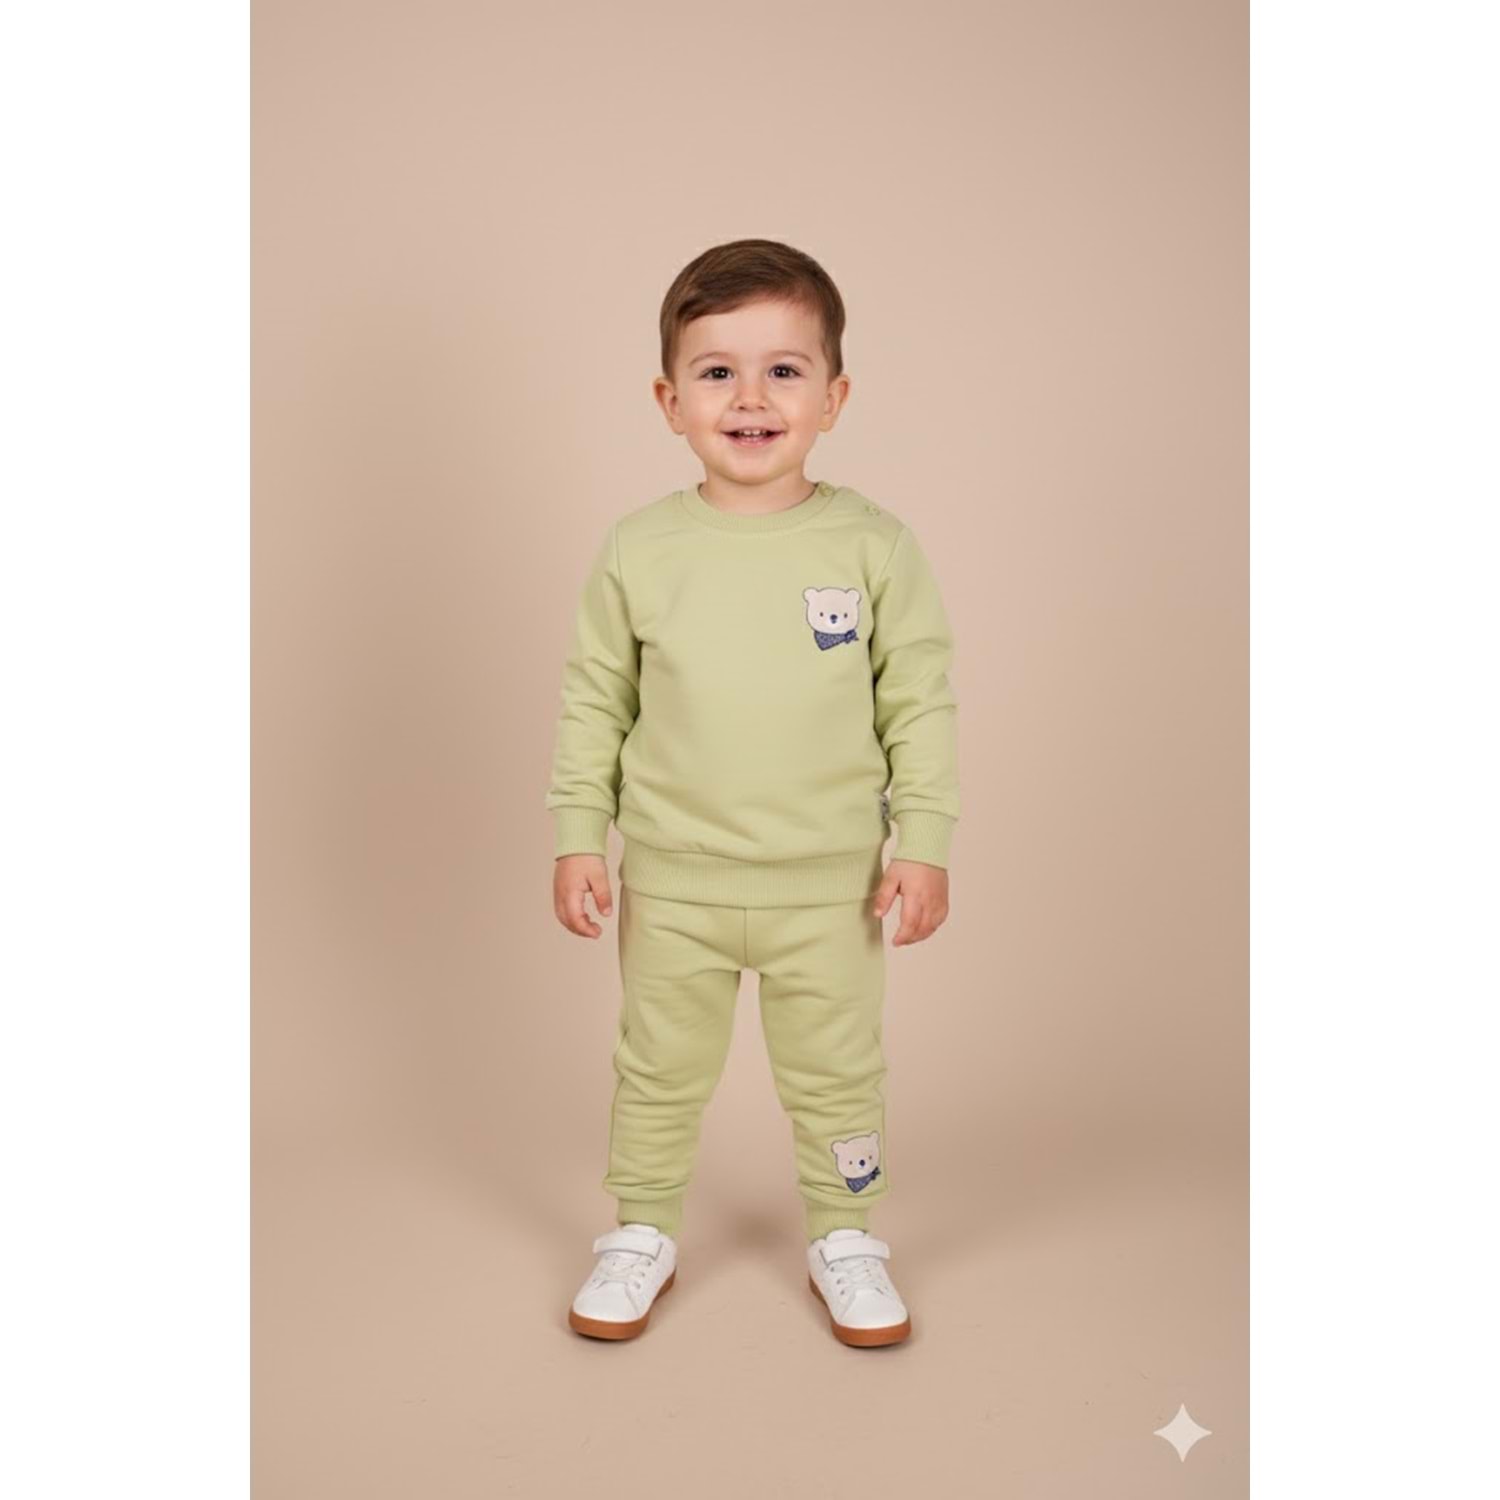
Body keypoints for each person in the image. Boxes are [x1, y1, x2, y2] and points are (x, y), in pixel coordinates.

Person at [545, 238, 960, 1346]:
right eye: (717, 371)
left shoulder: (875, 548)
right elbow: (594, 701)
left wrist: (924, 841)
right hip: (673, 882)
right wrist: (579, 834)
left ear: (833, 397)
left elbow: (919, 705)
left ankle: (847, 1236)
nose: (750, 398)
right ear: (670, 400)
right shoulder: (639, 549)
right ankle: (640, 1230)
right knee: (656, 1069)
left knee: (838, 1075)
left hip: (830, 888)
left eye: (783, 370)